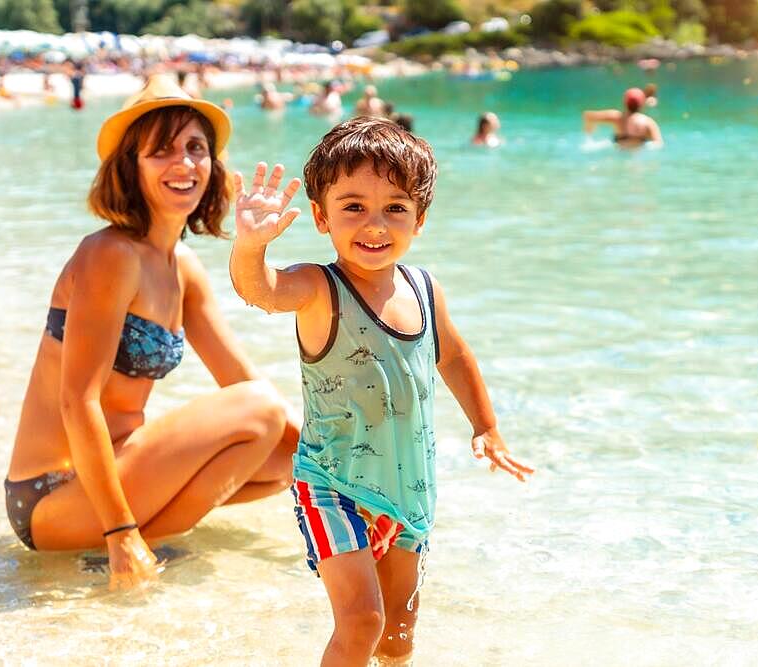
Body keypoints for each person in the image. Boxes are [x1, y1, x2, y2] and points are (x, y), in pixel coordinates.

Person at [229, 117, 535, 666]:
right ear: (320, 217)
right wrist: (250, 247)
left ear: (420, 218)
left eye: (395, 207)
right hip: (332, 482)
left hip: (409, 488)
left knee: (398, 631)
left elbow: (454, 356)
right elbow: (263, 292)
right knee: (362, 621)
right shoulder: (320, 287)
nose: (375, 224)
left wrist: (486, 426)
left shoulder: (424, 287)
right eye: (353, 207)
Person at [5, 74, 299, 591]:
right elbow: (78, 400)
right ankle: (125, 543)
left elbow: (240, 378)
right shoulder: (109, 255)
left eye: (195, 148)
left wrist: (346, 476)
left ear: (213, 164)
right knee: (263, 409)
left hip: (120, 470)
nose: (184, 163)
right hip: (53, 495)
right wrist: (119, 531)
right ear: (131, 167)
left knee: (288, 460)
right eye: (161, 151)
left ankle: (149, 543)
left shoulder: (182, 268)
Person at [582, 87, 663, 148]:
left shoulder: (616, 117)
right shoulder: (648, 122)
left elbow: (588, 116)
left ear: (625, 102)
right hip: (639, 152)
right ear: (642, 104)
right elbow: (659, 144)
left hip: (619, 148)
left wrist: (589, 136)